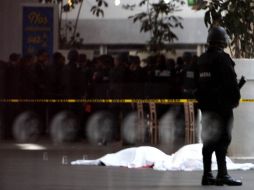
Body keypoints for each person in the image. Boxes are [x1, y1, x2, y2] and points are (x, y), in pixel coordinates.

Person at [196, 26, 242, 186]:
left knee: (208, 140)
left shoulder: (201, 60)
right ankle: (222, 174)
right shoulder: (222, 58)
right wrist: (235, 100)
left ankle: (207, 175)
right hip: (222, 108)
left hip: (206, 109)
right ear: (223, 41)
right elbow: (231, 83)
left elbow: (196, 85)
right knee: (223, 140)